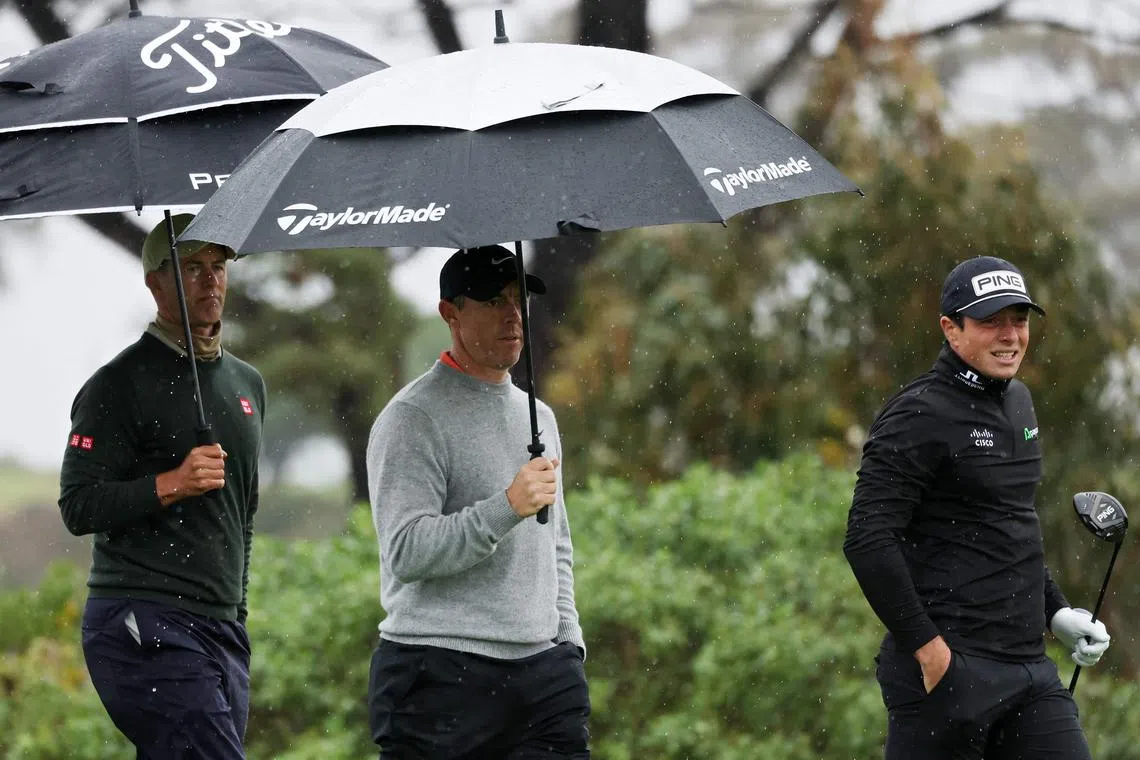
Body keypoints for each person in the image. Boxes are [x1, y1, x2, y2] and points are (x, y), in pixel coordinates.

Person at [843, 256, 1111, 758]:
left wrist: (1056, 612)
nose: (1010, 335)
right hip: (948, 675)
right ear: (951, 328)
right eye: (991, 321)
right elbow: (867, 538)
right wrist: (930, 651)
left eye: (1020, 319)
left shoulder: (1019, 402)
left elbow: (1008, 526)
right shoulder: (917, 413)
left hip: (1030, 672)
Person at [365, 245, 590, 759]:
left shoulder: (540, 418)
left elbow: (556, 546)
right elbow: (406, 551)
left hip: (545, 678)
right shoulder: (411, 419)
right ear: (451, 313)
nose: (512, 314)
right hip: (440, 675)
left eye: (517, 298)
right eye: (492, 301)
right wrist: (505, 506)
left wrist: (567, 640)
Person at [59, 214, 265, 759]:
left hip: (220, 626)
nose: (210, 281)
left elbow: (243, 511)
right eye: (191, 268)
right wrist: (170, 483)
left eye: (218, 267)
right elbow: (78, 506)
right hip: (140, 617)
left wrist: (236, 611)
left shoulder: (248, 384)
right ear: (155, 282)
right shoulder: (117, 385)